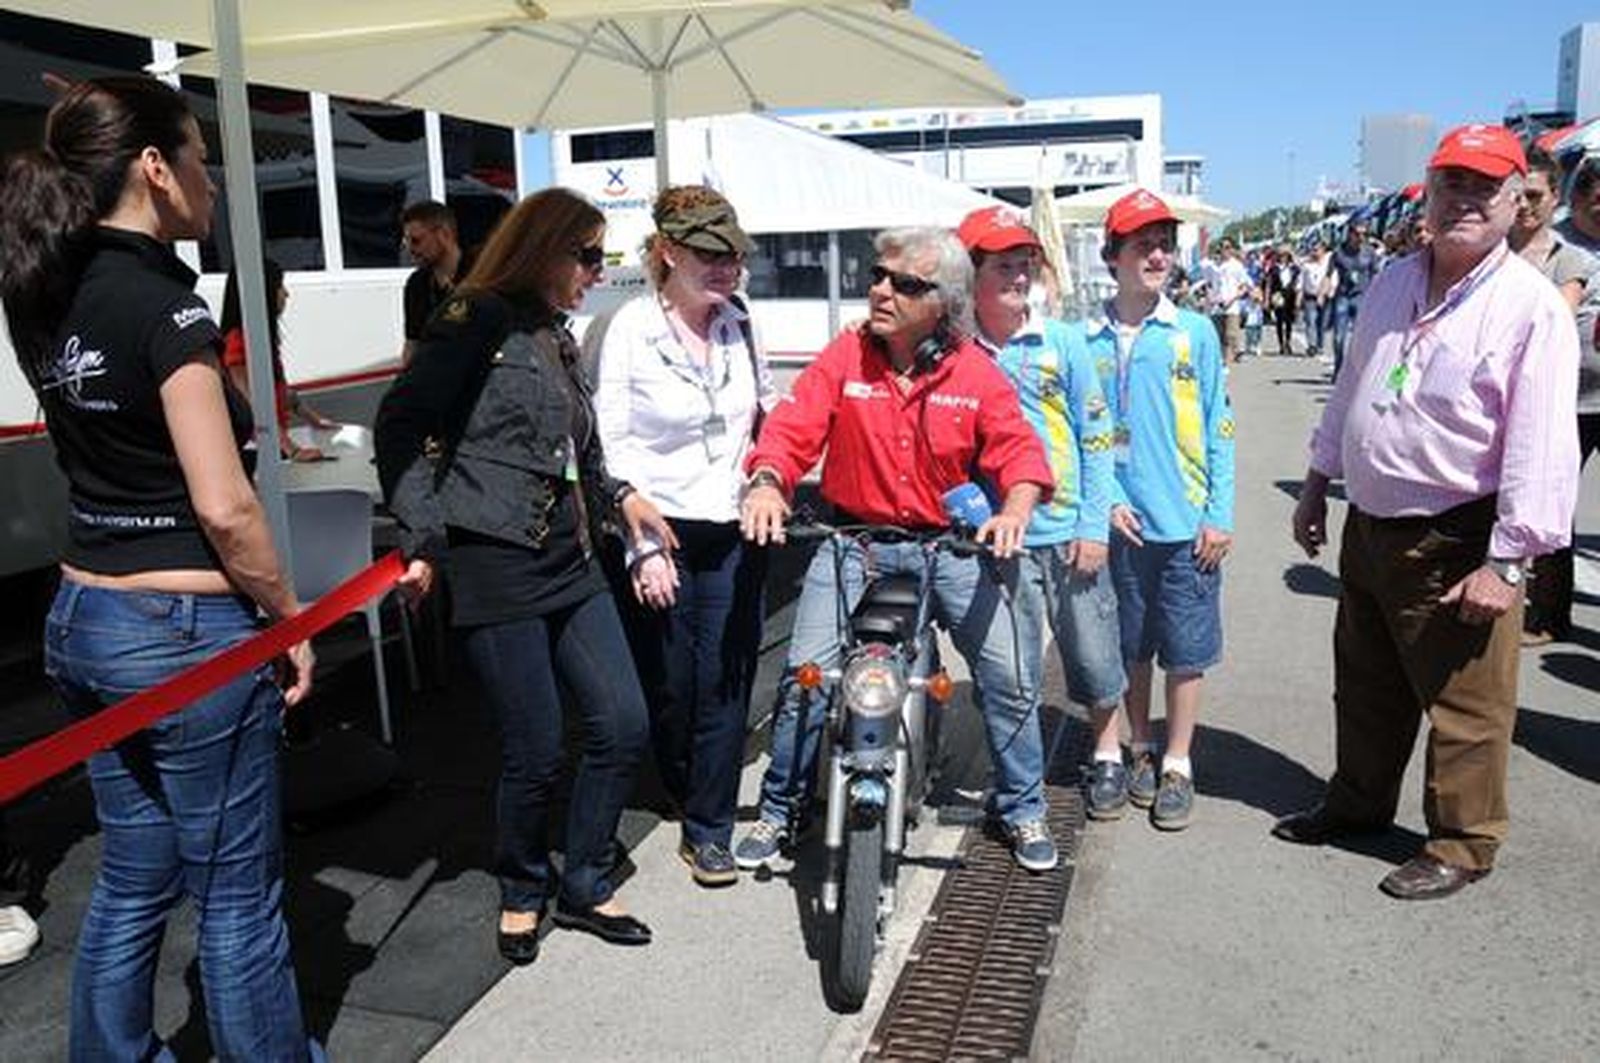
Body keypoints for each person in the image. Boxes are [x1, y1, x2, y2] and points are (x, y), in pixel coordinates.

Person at [0, 76, 320, 1058]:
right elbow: (226, 508)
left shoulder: (45, 292)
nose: (211, 184)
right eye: (198, 159)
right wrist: (290, 617)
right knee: (236, 896)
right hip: (185, 634)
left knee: (134, 875)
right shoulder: (167, 310)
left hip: (84, 617)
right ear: (153, 169)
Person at [375, 187, 674, 963]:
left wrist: (622, 498)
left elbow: (580, 450)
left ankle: (583, 876)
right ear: (544, 250)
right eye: (586, 256)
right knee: (536, 747)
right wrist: (423, 536)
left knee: (622, 720)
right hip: (493, 557)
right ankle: (521, 885)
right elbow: (402, 423)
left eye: (602, 257)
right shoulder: (474, 320)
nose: (595, 271)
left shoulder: (555, 334)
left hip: (569, 557)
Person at [1281, 125, 1580, 901]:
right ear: (1429, 191)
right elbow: (1353, 385)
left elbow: (1541, 442)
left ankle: (1462, 841)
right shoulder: (1392, 281)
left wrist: (1509, 559)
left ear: (1518, 203)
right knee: (1368, 682)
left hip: (1459, 533)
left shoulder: (1529, 307)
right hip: (1373, 524)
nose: (1465, 200)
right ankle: (1358, 803)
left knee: (1466, 705)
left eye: (1485, 187)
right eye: (1452, 183)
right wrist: (1318, 478)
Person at [734, 227, 1060, 871]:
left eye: (904, 284)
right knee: (806, 679)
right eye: (877, 276)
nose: (881, 291)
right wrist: (767, 483)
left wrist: (1014, 510)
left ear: (945, 301)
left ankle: (1022, 808)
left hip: (954, 550)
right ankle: (781, 809)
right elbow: (791, 430)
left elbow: (1019, 450)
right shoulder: (845, 356)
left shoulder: (974, 370)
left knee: (1009, 678)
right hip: (855, 543)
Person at [588, 185, 776, 888]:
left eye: (734, 254)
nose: (726, 267)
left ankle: (709, 826)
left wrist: (769, 475)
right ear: (667, 251)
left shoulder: (740, 321)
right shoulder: (626, 327)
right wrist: (639, 544)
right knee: (670, 683)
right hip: (655, 526)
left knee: (725, 679)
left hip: (732, 526)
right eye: (708, 254)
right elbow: (608, 443)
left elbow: (762, 415)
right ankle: (679, 779)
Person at [955, 207, 1126, 819]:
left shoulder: (1066, 342)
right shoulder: (954, 351)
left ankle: (1108, 751)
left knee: (1094, 651)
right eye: (1003, 264)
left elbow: (1098, 436)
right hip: (995, 539)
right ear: (968, 273)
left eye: (1025, 263)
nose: (1019, 275)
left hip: (1067, 530)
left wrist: (1093, 523)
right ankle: (1015, 776)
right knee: (1012, 667)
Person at [1084, 190, 1235, 831]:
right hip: (1121, 525)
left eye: (1164, 244)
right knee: (1129, 647)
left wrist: (1219, 512)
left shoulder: (1193, 332)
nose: (1156, 255)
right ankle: (1137, 747)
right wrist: (1108, 500)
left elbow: (1218, 424)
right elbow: (1082, 433)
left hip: (1186, 526)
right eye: (1141, 244)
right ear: (1110, 255)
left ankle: (1178, 761)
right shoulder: (1084, 337)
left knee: (1186, 648)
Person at [1512, 147, 1597, 644]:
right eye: (1517, 194)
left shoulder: (1571, 259)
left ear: (1553, 197)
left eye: (1534, 196)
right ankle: (1547, 612)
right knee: (1551, 505)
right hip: (1562, 400)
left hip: (1585, 389)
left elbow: (1556, 321)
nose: (1524, 205)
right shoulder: (1496, 251)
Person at [219, 257, 337, 463]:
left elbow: (279, 393)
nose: (286, 293)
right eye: (279, 285)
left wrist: (314, 419)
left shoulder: (259, 337)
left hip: (272, 446)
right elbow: (251, 405)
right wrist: (292, 451)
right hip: (258, 453)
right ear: (262, 291)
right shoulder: (238, 341)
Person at [399, 199, 468, 364]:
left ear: (444, 234)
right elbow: (412, 342)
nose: (411, 250)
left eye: (416, 241)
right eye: (406, 243)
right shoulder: (417, 283)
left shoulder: (481, 274)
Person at [1327, 221, 1379, 378]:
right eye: (1357, 234)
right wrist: (1324, 290)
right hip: (1342, 297)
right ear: (1350, 234)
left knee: (1360, 337)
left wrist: (1377, 297)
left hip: (1362, 297)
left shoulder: (1370, 252)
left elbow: (1376, 275)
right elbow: (1328, 275)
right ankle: (1338, 367)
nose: (1361, 237)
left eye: (1364, 234)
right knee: (1338, 338)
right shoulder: (1338, 252)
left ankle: (1356, 371)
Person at [1263, 243, 1301, 356]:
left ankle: (1288, 342)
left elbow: (1299, 282)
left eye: (1285, 255)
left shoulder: (1294, 268)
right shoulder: (1274, 268)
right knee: (1279, 320)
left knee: (1289, 320)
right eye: (1281, 255)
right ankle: (1281, 344)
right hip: (1278, 296)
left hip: (1290, 296)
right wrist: (1266, 299)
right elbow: (1268, 284)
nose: (1283, 257)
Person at [1299, 241, 1331, 356]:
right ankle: (1312, 346)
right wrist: (1299, 298)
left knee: (1322, 323)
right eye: (1313, 250)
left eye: (1317, 249)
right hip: (1310, 297)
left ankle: (1320, 345)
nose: (1314, 252)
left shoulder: (1328, 264)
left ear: (1323, 250)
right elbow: (1301, 282)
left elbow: (1332, 279)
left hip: (1325, 297)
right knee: (1310, 321)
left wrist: (1328, 292)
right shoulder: (1306, 265)